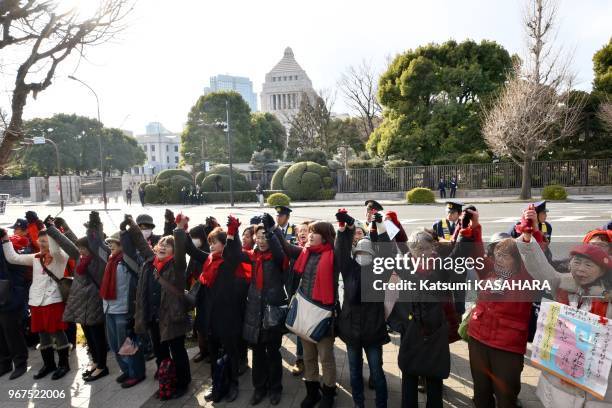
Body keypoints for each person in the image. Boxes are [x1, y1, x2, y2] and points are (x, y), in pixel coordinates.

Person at [517, 207, 612, 408]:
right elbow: (541, 269)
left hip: (598, 388)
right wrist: (527, 239)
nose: (581, 269)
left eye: (604, 248)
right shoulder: (563, 283)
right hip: (560, 382)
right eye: (578, 261)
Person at [388, 225, 472, 408]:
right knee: (409, 376)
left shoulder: (440, 267)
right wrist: (403, 325)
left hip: (435, 332)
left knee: (434, 377)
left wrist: (465, 235)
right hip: (411, 331)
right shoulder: (404, 265)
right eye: (418, 248)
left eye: (427, 248)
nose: (424, 252)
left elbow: (458, 256)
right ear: (412, 250)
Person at [467, 226, 534, 408]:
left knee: (506, 397)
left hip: (506, 347)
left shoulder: (525, 279)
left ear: (517, 260)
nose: (498, 259)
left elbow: (535, 255)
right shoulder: (490, 271)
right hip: (478, 339)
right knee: (481, 393)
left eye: (505, 256)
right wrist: (474, 226)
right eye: (497, 254)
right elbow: (476, 253)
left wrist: (529, 233)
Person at [274, 220, 339, 408]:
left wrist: (345, 230)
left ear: (325, 236)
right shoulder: (306, 251)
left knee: (326, 358)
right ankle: (312, 393)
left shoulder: (334, 255)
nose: (310, 235)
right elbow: (286, 247)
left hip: (323, 315)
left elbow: (342, 245)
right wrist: (273, 230)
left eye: (315, 232)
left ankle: (328, 394)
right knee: (308, 357)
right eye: (309, 231)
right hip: (304, 312)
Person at [126, 217, 191, 399]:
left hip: (172, 317)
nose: (162, 246)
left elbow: (180, 249)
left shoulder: (177, 266)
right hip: (155, 318)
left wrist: (178, 229)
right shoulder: (150, 262)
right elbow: (140, 243)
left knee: (177, 352)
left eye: (167, 245)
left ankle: (183, 382)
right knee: (160, 351)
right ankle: (166, 378)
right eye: (161, 243)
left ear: (174, 251)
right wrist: (131, 225)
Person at [184, 216, 245, 403]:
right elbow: (191, 250)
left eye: (215, 242)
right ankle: (217, 384)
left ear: (224, 245)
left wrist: (232, 231)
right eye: (210, 242)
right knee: (213, 352)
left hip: (227, 318)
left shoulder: (229, 262)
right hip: (209, 317)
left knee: (230, 353)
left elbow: (234, 250)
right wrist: (182, 229)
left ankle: (233, 385)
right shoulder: (208, 259)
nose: (210, 246)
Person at [335, 209, 390, 408]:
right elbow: (341, 251)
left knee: (377, 372)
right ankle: (359, 403)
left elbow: (387, 251)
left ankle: (381, 404)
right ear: (355, 253)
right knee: (354, 372)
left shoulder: (380, 271)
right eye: (359, 252)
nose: (362, 255)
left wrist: (381, 226)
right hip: (351, 331)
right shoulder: (349, 269)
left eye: (367, 252)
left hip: (373, 332)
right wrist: (344, 228)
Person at [1, 226, 71, 380]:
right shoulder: (36, 257)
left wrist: (52, 232)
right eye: (40, 240)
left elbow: (57, 250)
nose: (42, 243)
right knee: (42, 333)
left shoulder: (60, 256)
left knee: (57, 332)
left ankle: (64, 364)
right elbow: (13, 258)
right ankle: (49, 364)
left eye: (45, 240)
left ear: (53, 242)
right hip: (36, 301)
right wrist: (6, 239)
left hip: (53, 299)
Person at [47, 214, 108, 382]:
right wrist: (52, 229)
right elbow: (68, 244)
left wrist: (94, 227)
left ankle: (103, 366)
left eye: (83, 248)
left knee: (98, 336)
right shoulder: (81, 258)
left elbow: (98, 244)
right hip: (82, 304)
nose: (80, 251)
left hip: (94, 302)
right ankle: (95, 362)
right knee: (89, 336)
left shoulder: (97, 259)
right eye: (80, 248)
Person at [242, 217, 288, 406]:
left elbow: (279, 250)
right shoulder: (251, 257)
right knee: (258, 353)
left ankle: (275, 388)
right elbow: (232, 254)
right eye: (258, 237)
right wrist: (231, 233)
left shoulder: (278, 258)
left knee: (274, 353)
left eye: (265, 237)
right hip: (255, 311)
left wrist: (271, 230)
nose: (261, 241)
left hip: (272, 312)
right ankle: (259, 388)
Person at [0, 228, 28, 380]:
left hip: (10, 297)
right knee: (1, 334)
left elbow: (16, 267)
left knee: (12, 333)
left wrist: (5, 241)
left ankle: (20, 363)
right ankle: (4, 363)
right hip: (4, 296)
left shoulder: (11, 246)